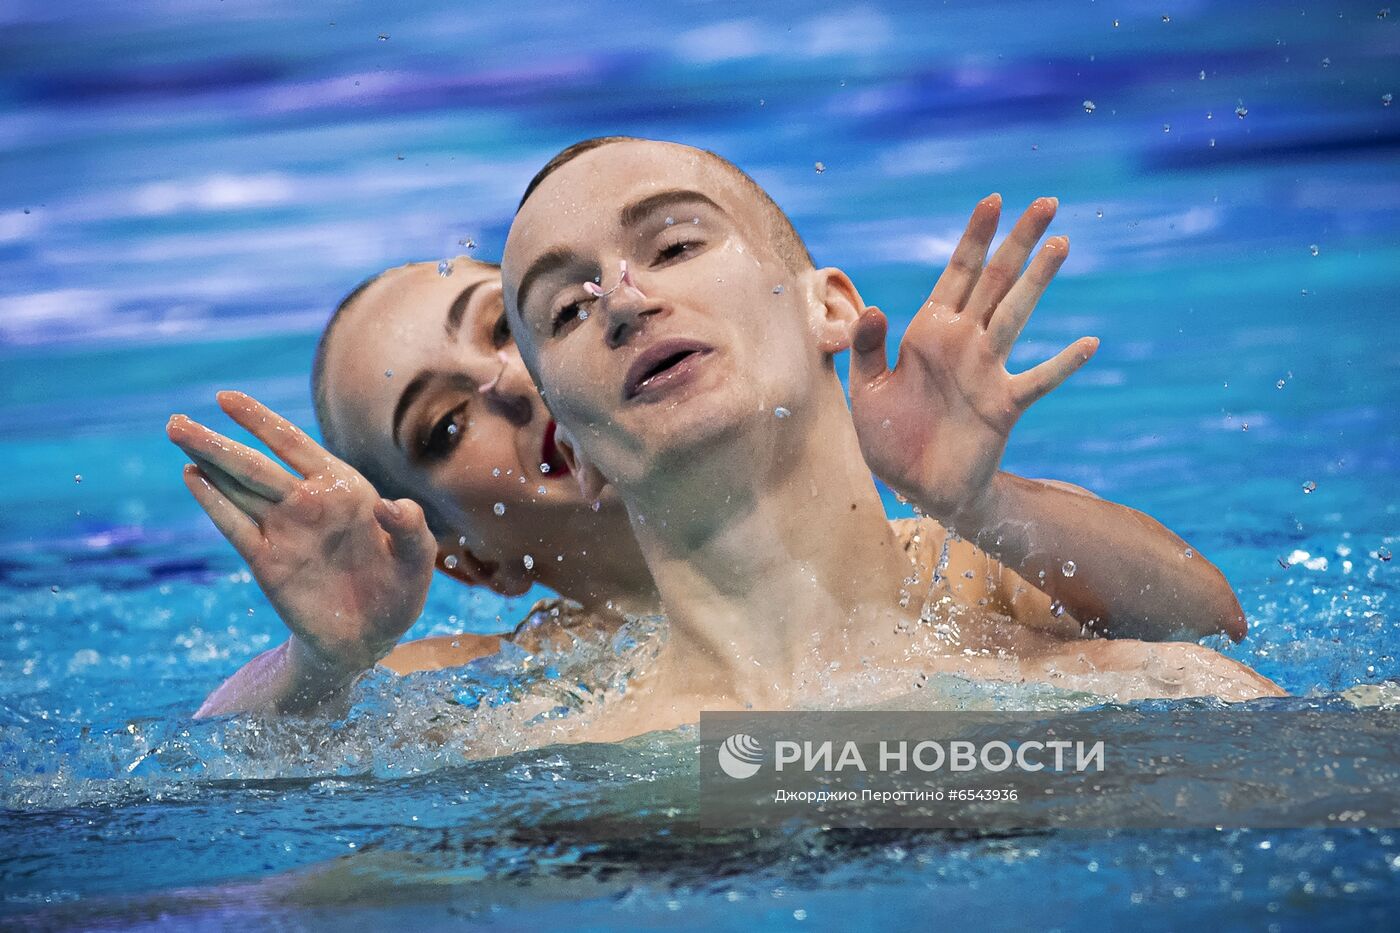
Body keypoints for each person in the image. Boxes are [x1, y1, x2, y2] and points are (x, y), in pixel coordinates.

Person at [497, 136, 1284, 743]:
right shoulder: (563, 758)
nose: (624, 301)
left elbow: (1215, 627)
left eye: (674, 247)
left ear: (830, 308)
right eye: (568, 308)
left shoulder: (1131, 675)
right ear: (577, 453)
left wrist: (981, 502)